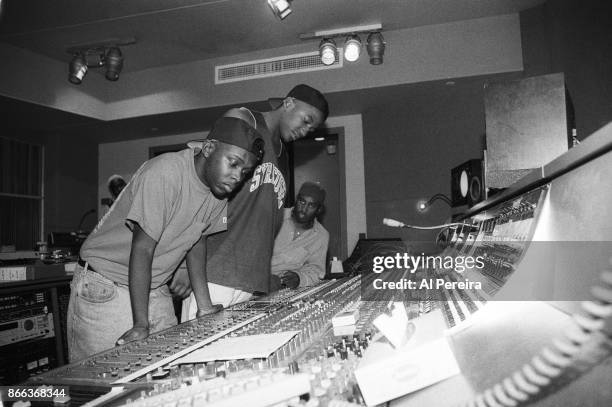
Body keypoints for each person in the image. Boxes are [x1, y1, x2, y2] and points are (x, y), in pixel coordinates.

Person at [67, 117, 263, 362]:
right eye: (233, 164)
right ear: (209, 148)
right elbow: (142, 249)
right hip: (107, 283)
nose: (237, 177)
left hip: (154, 286)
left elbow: (197, 241)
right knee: (105, 382)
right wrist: (141, 324)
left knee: (162, 373)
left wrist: (205, 305)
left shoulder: (218, 194)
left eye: (245, 172)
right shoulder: (165, 172)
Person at [177, 84, 329, 319]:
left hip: (251, 283)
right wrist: (185, 263)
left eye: (312, 127)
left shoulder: (283, 154)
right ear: (288, 103)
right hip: (214, 274)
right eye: (306, 120)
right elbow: (198, 188)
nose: (307, 130)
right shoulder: (244, 120)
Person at [270, 182, 329, 289]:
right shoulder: (275, 216)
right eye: (302, 202)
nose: (304, 209)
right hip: (254, 280)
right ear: (296, 200)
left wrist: (299, 278)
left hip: (283, 287)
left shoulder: (321, 236)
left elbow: (316, 272)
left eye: (311, 205)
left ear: (319, 209)